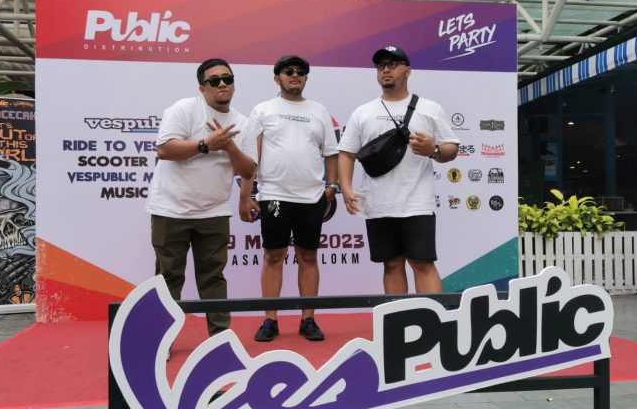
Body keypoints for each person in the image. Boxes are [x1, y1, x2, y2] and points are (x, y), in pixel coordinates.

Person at [146, 58, 257, 356]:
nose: (222, 84)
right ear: (202, 87)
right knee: (168, 279)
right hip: (171, 210)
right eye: (214, 80)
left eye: (227, 78)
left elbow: (248, 170)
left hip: (214, 212)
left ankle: (220, 343)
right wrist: (206, 145)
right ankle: (160, 343)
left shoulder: (244, 123)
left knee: (213, 278)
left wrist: (229, 145)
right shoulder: (184, 109)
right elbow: (165, 149)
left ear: (233, 84)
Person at [337, 46, 459, 294]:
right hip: (378, 204)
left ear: (408, 70)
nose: (386, 70)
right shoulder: (363, 112)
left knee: (422, 264)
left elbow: (452, 148)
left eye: (392, 64)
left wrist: (433, 150)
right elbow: (347, 153)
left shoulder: (430, 108)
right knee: (391, 265)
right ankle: (399, 316)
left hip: (417, 204)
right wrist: (346, 188)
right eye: (381, 66)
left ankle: (431, 317)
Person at [239, 55, 339, 342]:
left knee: (308, 256)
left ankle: (308, 319)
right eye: (288, 71)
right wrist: (246, 195)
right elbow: (251, 157)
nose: (295, 75)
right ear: (277, 78)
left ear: (306, 78)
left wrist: (332, 186)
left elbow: (331, 152)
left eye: (300, 71)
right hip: (273, 196)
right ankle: (270, 320)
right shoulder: (263, 110)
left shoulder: (319, 110)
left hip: (311, 197)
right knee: (273, 256)